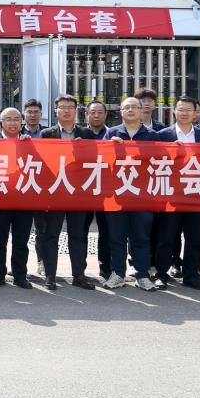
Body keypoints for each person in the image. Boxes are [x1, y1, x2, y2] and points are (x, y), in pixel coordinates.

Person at [35, 94, 97, 290]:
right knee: (51, 234)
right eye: (62, 107)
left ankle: (79, 275)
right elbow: (42, 162)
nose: (66, 110)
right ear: (56, 111)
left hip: (78, 192)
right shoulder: (47, 134)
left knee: (78, 235)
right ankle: (50, 276)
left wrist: (81, 150)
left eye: (70, 107)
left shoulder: (86, 134)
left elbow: (95, 161)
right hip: (55, 192)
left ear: (76, 111)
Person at [153, 95, 200, 291]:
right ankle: (161, 274)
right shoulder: (162, 135)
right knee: (166, 237)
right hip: (171, 194)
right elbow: (154, 162)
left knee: (194, 237)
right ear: (174, 111)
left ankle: (191, 275)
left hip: (195, 193)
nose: (184, 113)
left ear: (196, 113)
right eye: (181, 109)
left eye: (189, 110)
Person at [104, 96, 159, 290]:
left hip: (143, 196)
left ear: (141, 110)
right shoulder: (111, 133)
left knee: (141, 237)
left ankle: (142, 275)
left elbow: (161, 161)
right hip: (117, 194)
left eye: (134, 107)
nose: (130, 110)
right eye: (126, 107)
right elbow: (100, 161)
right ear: (120, 111)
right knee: (117, 236)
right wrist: (109, 147)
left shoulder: (152, 135)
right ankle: (118, 274)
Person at [0, 108, 34, 288]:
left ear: (22, 122)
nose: (13, 123)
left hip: (23, 200)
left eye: (16, 119)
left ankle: (20, 275)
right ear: (1, 123)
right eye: (8, 119)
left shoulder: (29, 143)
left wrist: (30, 146)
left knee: (21, 241)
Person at [83, 100, 114, 285]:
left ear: (105, 115)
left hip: (106, 190)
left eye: (99, 112)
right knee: (80, 231)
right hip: (83, 190)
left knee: (106, 231)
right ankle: (80, 269)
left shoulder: (113, 134)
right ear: (86, 114)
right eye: (92, 112)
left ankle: (106, 268)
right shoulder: (79, 134)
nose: (96, 115)